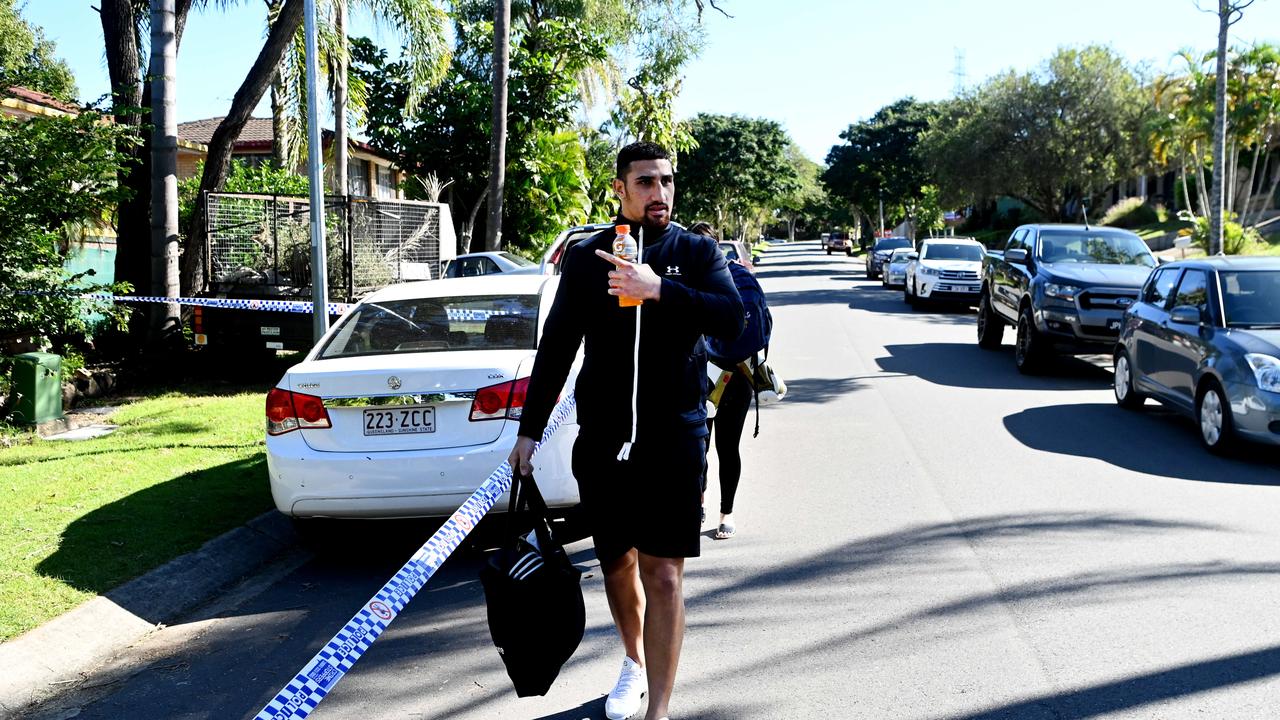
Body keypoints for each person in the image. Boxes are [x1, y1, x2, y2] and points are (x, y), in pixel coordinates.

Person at [509, 142, 744, 720]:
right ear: (619, 188)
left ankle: (658, 710)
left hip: (676, 438)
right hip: (604, 443)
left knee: (664, 575)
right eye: (644, 182)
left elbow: (732, 317)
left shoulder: (696, 250)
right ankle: (634, 663)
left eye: (665, 181)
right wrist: (528, 431)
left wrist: (658, 288)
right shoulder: (588, 258)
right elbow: (558, 346)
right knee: (618, 565)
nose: (658, 193)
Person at [688, 222, 755, 541]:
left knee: (721, 448)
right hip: (723, 375)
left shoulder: (702, 280)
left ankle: (724, 512)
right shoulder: (686, 279)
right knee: (700, 449)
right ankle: (703, 507)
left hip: (718, 375)